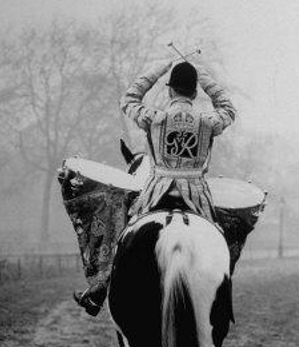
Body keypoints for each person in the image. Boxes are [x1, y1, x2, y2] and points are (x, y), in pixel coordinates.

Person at [73, 60, 236, 316]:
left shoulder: (154, 118)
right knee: (222, 238)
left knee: (123, 236)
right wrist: (203, 76)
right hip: (197, 198)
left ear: (170, 90)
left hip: (156, 193)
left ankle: (98, 291)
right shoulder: (208, 122)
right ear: (195, 92)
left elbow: (129, 98)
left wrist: (158, 69)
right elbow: (228, 108)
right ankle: (222, 296)